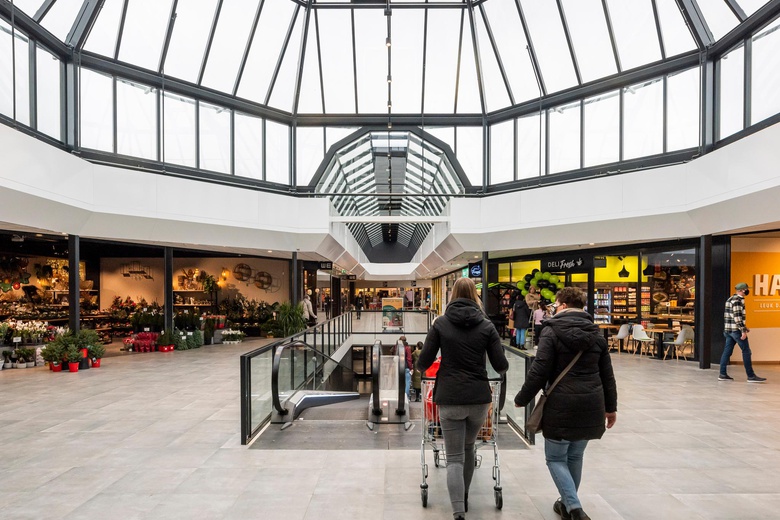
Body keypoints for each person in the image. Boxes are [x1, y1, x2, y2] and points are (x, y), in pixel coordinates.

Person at [513, 287, 617, 520]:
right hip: (591, 403)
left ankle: (575, 508)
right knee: (575, 456)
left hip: (561, 404)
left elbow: (540, 371)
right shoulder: (597, 334)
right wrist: (611, 408)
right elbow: (607, 375)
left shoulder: (551, 332)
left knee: (556, 458)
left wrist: (522, 398)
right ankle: (567, 504)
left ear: (561, 304)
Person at [417, 277, 509, 520]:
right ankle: (464, 496)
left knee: (454, 457)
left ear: (453, 295)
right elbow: (501, 365)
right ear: (475, 296)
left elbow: (422, 363)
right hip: (479, 398)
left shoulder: (440, 324)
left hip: (449, 398)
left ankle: (458, 511)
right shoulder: (487, 326)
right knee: (469, 447)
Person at [719, 282, 766, 382]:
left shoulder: (730, 299)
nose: (747, 291)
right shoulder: (737, 300)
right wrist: (743, 330)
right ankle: (751, 376)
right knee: (746, 351)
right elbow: (737, 317)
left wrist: (744, 327)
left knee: (727, 352)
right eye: (746, 289)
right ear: (742, 290)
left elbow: (731, 316)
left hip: (728, 330)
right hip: (736, 331)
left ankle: (722, 374)